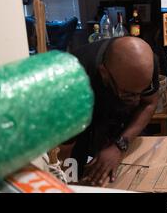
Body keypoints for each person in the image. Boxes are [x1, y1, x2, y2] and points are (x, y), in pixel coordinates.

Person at [66, 37, 159, 186]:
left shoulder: (148, 62)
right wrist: (69, 183)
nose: (136, 100)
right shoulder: (73, 76)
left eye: (142, 91)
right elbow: (66, 146)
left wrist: (119, 146)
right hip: (82, 123)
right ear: (104, 73)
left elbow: (149, 103)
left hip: (124, 121)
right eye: (129, 93)